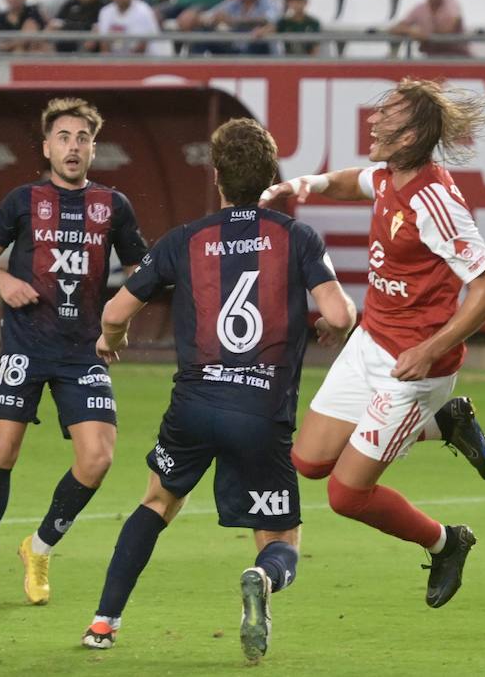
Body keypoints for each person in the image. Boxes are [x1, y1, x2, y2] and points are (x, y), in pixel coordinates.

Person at [80, 118, 355, 660]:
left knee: (157, 500)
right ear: (270, 175)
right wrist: (327, 327)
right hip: (260, 412)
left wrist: (113, 340)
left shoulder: (186, 239)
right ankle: (262, 578)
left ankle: (103, 623)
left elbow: (114, 311)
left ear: (217, 178)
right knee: (280, 540)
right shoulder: (296, 237)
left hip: (195, 407)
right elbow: (341, 313)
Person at [258, 79, 485, 611]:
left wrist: (430, 350)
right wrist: (309, 183)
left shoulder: (434, 200)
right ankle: (446, 423)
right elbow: (355, 182)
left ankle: (446, 541)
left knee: (345, 496)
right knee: (307, 461)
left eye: (386, 115)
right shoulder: (392, 177)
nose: (373, 121)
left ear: (412, 133)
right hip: (371, 342)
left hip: (412, 370)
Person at [0, 98, 148, 610]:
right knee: (3, 449)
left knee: (98, 457)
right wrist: (3, 280)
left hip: (82, 352)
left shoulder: (114, 205)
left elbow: (140, 273)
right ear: (46, 147)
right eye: (63, 137)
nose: (73, 146)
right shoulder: (23, 199)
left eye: (82, 138)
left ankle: (38, 548)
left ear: (94, 147)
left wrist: (119, 324)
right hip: (26, 343)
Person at [391, 0, 464, 56]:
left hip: (457, 58)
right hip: (431, 58)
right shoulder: (420, 9)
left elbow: (450, 28)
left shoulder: (452, 5)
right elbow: (395, 28)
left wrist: (424, 34)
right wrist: (411, 30)